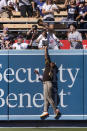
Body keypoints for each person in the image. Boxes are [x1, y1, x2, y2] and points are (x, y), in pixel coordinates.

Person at [39, 46, 60, 119]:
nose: (50, 63)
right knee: (45, 98)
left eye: (52, 63)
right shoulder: (50, 68)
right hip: (45, 83)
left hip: (48, 84)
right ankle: (45, 111)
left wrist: (45, 49)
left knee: (48, 97)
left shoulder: (49, 67)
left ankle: (56, 110)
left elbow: (46, 57)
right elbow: (46, 58)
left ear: (52, 65)